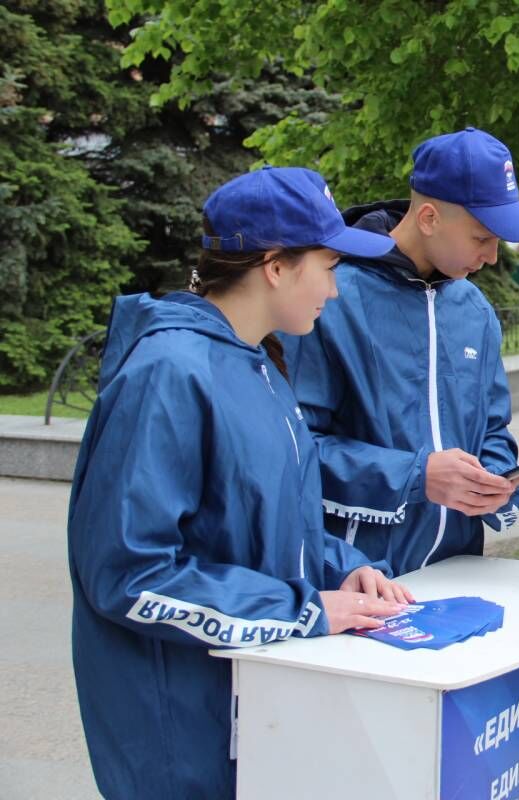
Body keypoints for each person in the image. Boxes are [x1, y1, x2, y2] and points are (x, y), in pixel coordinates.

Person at [68, 167, 414, 800]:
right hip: (183, 731)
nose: (335, 292)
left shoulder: (259, 362)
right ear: (276, 266)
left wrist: (342, 568)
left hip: (254, 708)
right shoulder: (169, 371)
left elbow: (273, 520)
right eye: (330, 266)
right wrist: (303, 610)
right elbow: (128, 575)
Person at [283, 127, 519, 576]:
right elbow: (294, 447)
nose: (493, 258)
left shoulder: (475, 309)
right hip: (358, 576)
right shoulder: (328, 298)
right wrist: (415, 475)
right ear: (428, 218)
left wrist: (496, 480)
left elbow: (493, 427)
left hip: (459, 569)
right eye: (483, 238)